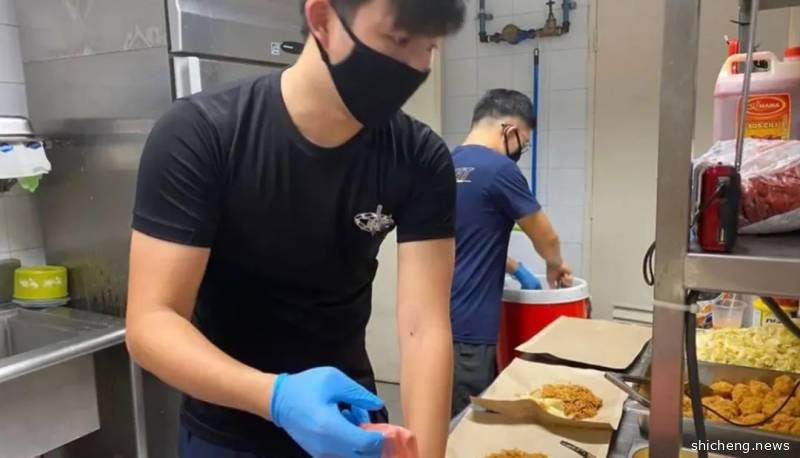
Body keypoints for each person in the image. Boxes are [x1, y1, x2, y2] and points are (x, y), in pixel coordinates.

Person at [124, 0, 465, 456]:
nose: (415, 66)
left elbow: (424, 327)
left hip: (352, 424)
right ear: (322, 19)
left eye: (429, 48)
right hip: (226, 433)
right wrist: (277, 397)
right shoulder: (201, 133)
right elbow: (151, 321)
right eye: (399, 40)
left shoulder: (420, 158)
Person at [449, 89, 573, 417]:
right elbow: (546, 236)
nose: (521, 150)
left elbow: (463, 241)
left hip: (435, 324)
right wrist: (555, 265)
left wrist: (516, 268)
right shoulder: (500, 169)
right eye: (524, 142)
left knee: (444, 417)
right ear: (509, 129)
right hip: (472, 327)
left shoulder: (444, 163)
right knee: (469, 422)